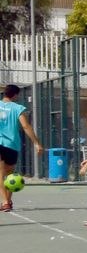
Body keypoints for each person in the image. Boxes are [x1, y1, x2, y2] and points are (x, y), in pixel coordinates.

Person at [0, 84, 45, 213]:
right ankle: (7, 202)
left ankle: (5, 202)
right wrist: (36, 143)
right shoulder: (18, 108)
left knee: (0, 174)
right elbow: (26, 126)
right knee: (9, 174)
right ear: (15, 95)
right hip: (12, 144)